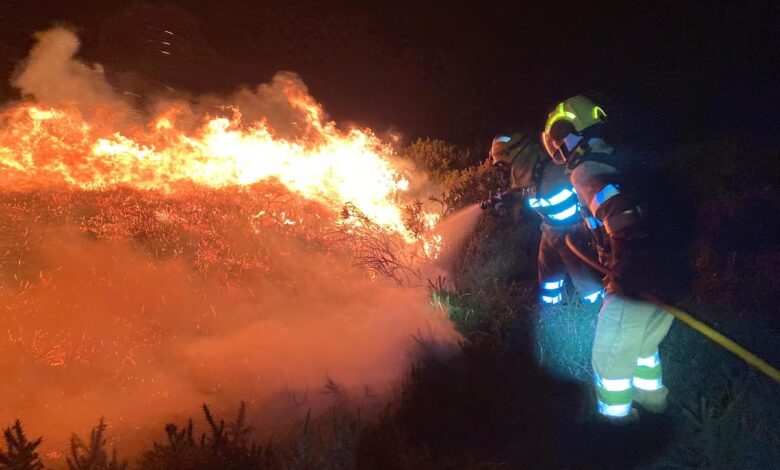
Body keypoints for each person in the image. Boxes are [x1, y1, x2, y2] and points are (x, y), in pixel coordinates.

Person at [540, 95, 674, 420]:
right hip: (669, 278)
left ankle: (619, 427)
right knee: (643, 349)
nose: (558, 152)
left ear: (566, 135)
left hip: (636, 280)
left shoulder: (586, 171)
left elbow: (620, 214)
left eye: (557, 143)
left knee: (609, 360)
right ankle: (654, 404)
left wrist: (625, 278)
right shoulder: (620, 159)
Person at [486, 131, 604, 306]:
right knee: (548, 284)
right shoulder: (523, 177)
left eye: (503, 163)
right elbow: (524, 194)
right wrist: (504, 203)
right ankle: (552, 315)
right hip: (549, 232)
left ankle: (596, 316)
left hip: (575, 232)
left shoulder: (559, 168)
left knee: (589, 286)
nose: (504, 168)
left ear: (516, 153)